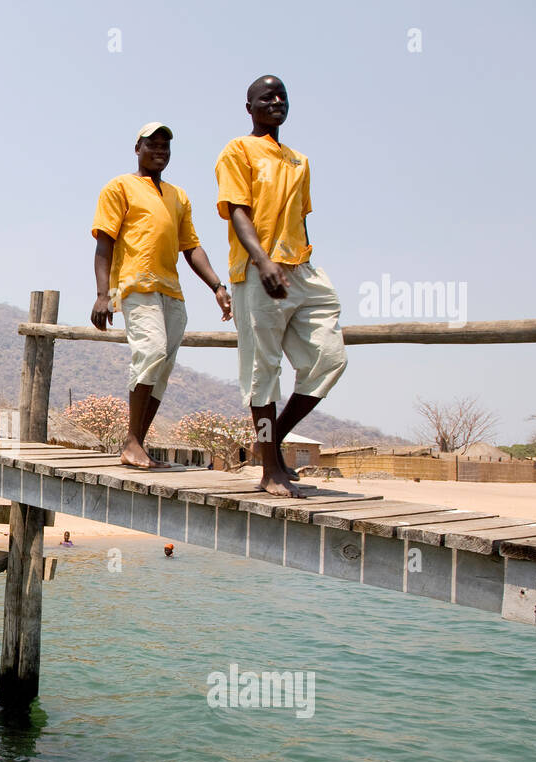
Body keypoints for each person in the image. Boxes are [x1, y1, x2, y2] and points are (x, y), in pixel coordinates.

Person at [216, 76, 347, 498]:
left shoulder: (298, 160)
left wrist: (297, 261)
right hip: (259, 269)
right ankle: (271, 468)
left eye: (282, 97)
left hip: (301, 268)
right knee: (263, 370)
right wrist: (262, 260)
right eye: (266, 97)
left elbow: (301, 217)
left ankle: (267, 442)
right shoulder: (238, 150)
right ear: (249, 106)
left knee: (329, 358)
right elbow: (238, 212)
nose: (276, 102)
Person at [92, 122, 232, 470]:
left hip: (172, 292)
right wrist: (101, 295)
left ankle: (137, 444)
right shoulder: (119, 187)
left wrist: (217, 286)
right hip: (135, 286)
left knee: (163, 367)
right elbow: (104, 243)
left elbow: (192, 248)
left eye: (165, 147)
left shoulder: (178, 196)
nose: (159, 151)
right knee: (151, 351)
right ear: (137, 148)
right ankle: (132, 443)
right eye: (152, 145)